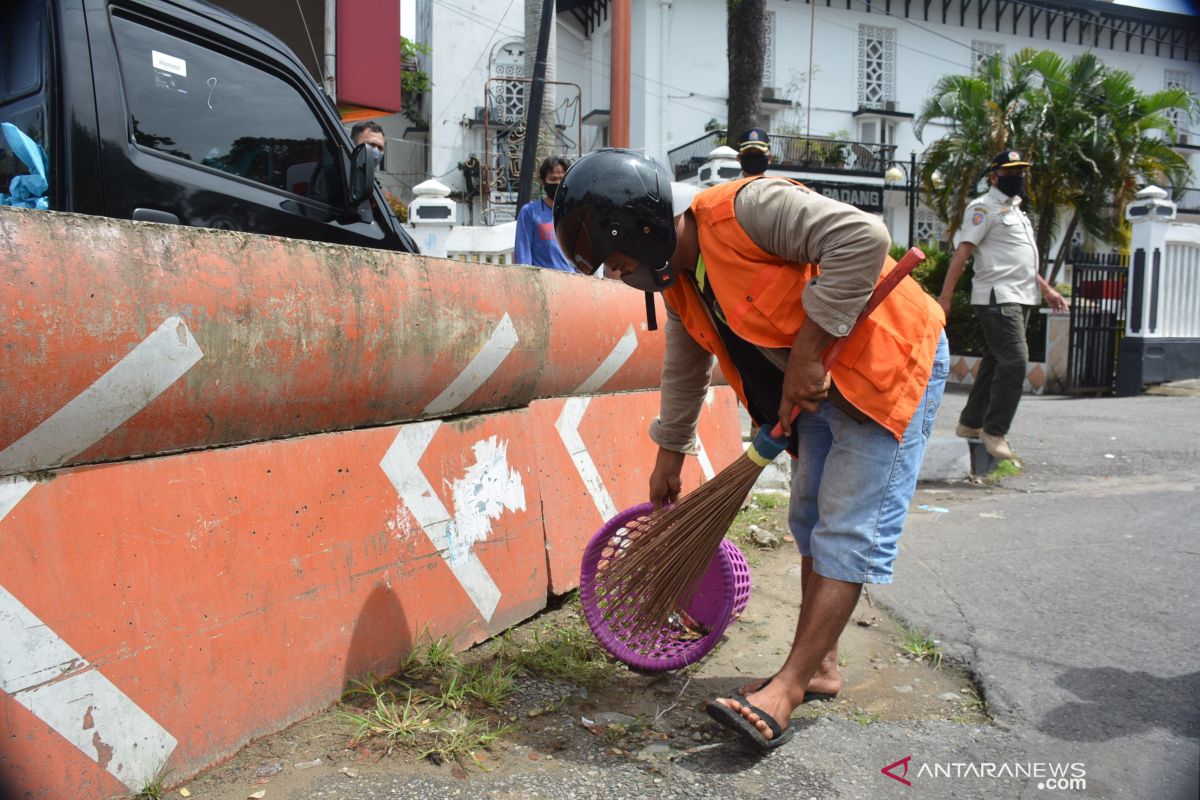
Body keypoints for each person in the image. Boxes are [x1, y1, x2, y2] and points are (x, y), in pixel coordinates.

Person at [554, 149, 948, 752]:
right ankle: (821, 665)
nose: (616, 275)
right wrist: (670, 453)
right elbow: (686, 366)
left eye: (615, 261)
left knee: (847, 529)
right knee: (809, 518)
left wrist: (811, 351)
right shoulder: (680, 284)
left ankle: (788, 687)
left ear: (640, 226)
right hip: (817, 385)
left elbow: (862, 237)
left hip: (889, 364)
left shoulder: (746, 210)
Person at [937, 149, 1068, 462]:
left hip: (1021, 295)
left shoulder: (1017, 211)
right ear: (993, 177)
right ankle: (994, 432)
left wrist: (1047, 288)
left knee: (996, 361)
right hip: (997, 297)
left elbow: (1019, 262)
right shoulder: (983, 208)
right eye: (1009, 173)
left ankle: (970, 423)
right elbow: (963, 252)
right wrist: (946, 297)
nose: (1016, 178)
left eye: (1020, 172)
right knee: (1016, 362)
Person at [514, 155, 575, 272]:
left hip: (571, 284)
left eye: (561, 179)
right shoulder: (529, 212)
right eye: (553, 179)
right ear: (543, 182)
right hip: (543, 283)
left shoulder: (573, 213)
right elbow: (523, 255)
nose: (558, 183)